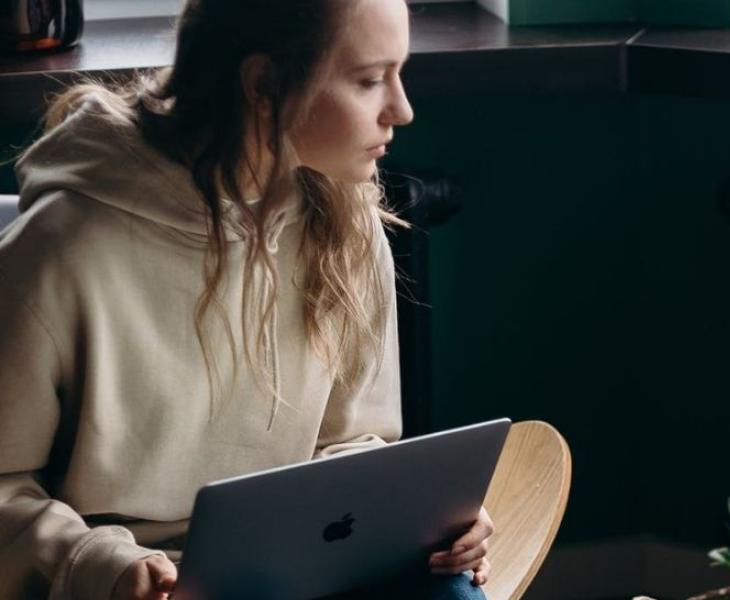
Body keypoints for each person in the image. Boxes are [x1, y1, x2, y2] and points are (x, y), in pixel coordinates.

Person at [0, 1, 493, 598]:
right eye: (368, 81)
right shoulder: (62, 248)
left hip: (308, 559)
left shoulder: (345, 217)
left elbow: (355, 442)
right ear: (263, 85)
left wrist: (421, 520)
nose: (402, 109)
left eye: (398, 74)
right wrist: (93, 563)